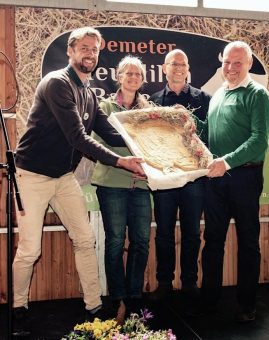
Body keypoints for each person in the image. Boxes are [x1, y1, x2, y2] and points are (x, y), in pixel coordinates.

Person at [12, 27, 145, 336]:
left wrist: (143, 148)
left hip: (63, 177)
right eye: (84, 48)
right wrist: (121, 161)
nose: (90, 54)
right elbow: (78, 137)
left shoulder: (87, 92)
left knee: (85, 240)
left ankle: (93, 304)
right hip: (32, 175)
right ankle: (18, 306)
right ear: (71, 51)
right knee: (30, 249)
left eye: (94, 49)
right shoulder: (57, 83)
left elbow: (109, 132)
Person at [194, 41, 269, 322]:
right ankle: (209, 301)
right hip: (215, 179)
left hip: (244, 178)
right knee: (212, 240)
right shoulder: (217, 95)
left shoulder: (258, 95)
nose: (230, 67)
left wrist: (226, 162)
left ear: (249, 64)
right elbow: (211, 135)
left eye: (237, 62)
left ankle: (247, 305)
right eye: (226, 62)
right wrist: (195, 126)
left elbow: (259, 141)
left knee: (248, 242)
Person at [91, 55, 152, 325]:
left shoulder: (147, 109)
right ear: (119, 76)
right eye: (128, 73)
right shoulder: (104, 106)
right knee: (115, 241)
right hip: (112, 183)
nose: (133, 78)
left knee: (141, 241)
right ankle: (117, 297)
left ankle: (134, 295)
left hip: (141, 185)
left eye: (137, 74)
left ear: (142, 79)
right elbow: (98, 144)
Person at [149, 49, 211, 301]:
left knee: (192, 233)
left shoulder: (204, 98)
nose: (178, 68)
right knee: (163, 231)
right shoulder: (152, 100)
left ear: (188, 69)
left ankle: (189, 282)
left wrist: (192, 119)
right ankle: (164, 282)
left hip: (194, 177)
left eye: (183, 64)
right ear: (164, 68)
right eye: (174, 64)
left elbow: (209, 136)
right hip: (164, 176)